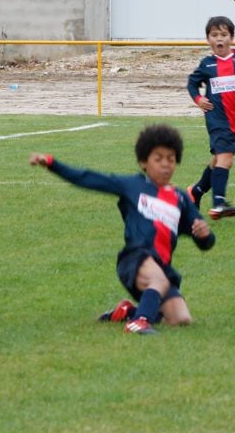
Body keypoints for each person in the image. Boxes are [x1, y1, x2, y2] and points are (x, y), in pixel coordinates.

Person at [29, 124, 215, 335]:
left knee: (181, 319)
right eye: (158, 158)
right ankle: (139, 322)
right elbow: (88, 178)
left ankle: (127, 311)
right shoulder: (132, 185)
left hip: (162, 269)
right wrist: (53, 164)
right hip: (135, 259)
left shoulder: (181, 199)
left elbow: (204, 240)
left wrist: (204, 234)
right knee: (158, 280)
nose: (165, 164)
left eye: (170, 159)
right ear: (144, 162)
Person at [186, 16, 235, 219]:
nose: (219, 39)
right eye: (214, 35)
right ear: (208, 39)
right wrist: (198, 99)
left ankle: (194, 192)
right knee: (226, 159)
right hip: (216, 119)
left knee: (218, 160)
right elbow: (192, 83)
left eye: (223, 34)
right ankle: (219, 203)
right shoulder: (207, 64)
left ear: (231, 38)